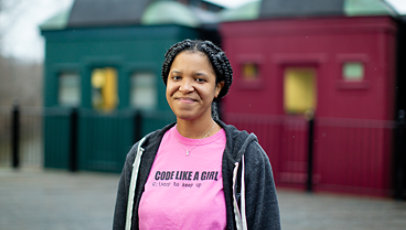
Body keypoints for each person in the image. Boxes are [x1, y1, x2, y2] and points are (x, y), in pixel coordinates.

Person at [113, 39, 280, 230]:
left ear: (217, 87)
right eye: (176, 78)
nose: (185, 87)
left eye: (199, 79)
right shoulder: (141, 154)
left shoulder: (245, 157)